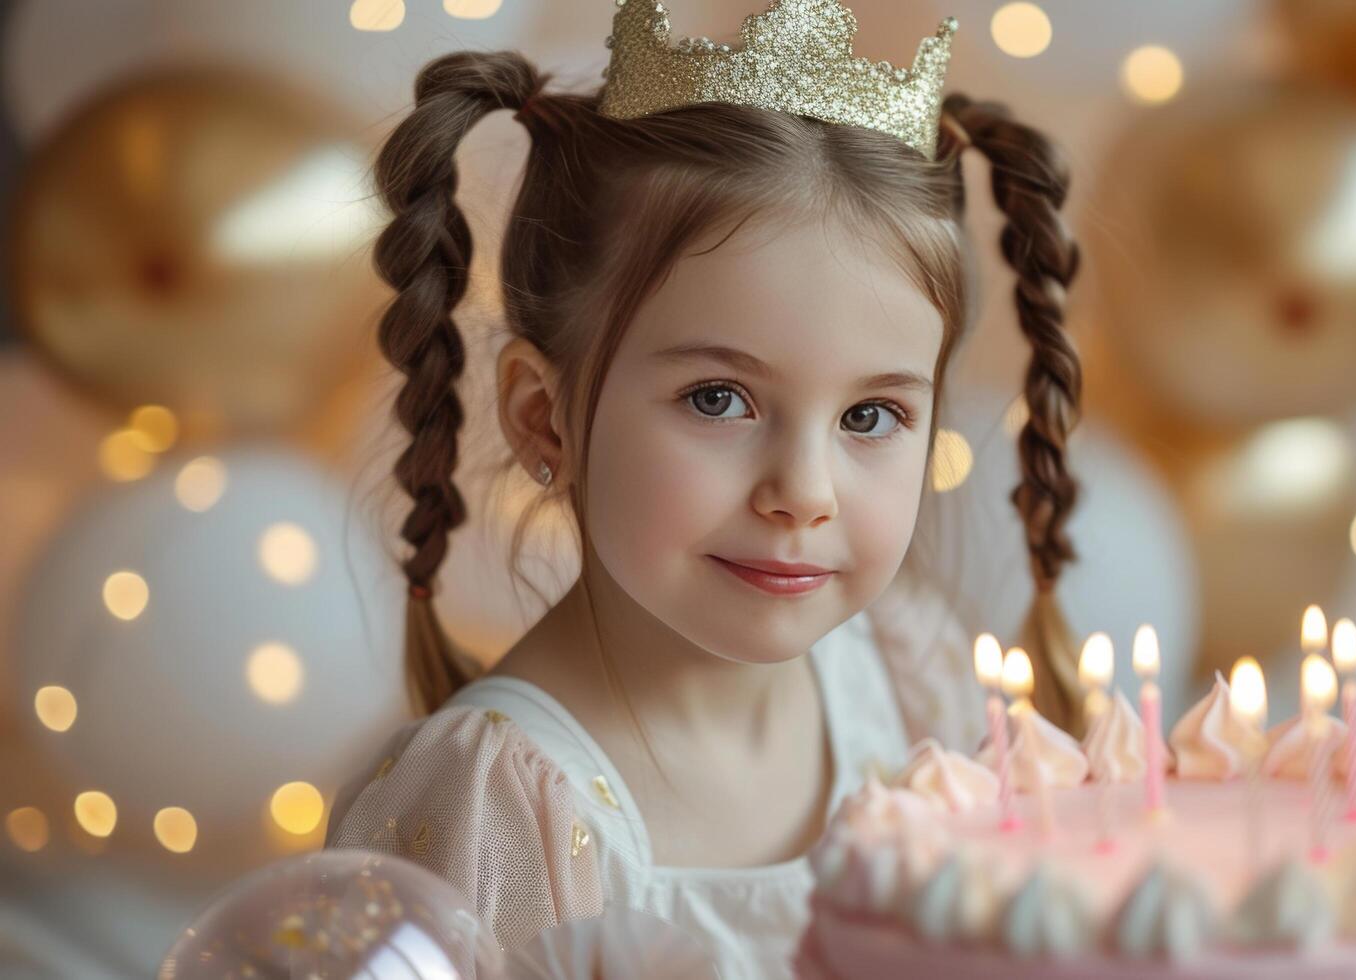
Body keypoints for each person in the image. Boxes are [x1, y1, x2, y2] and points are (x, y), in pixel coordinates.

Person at [325, 1, 1082, 975]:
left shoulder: (908, 671)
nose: (802, 492)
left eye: (869, 416)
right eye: (718, 397)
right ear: (543, 415)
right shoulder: (493, 810)